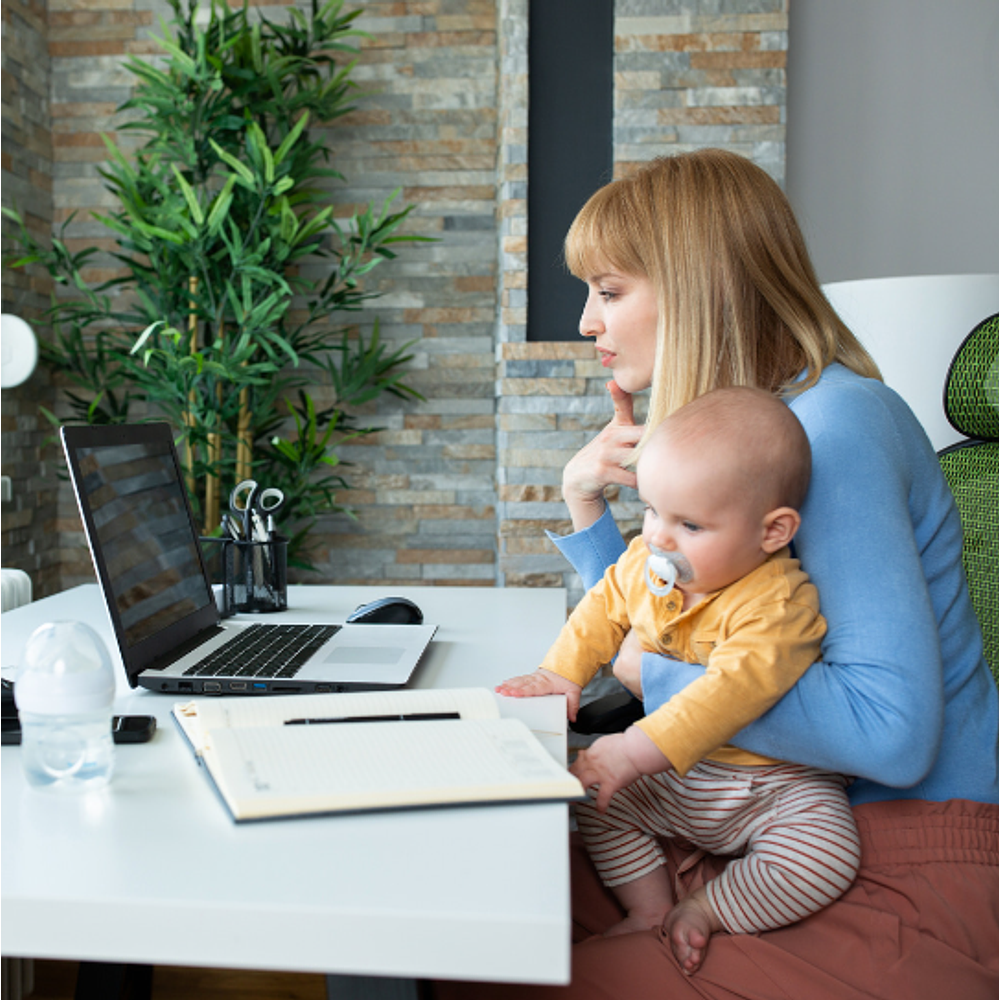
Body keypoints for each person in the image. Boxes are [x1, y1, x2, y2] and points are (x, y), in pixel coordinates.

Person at [433, 149, 998, 999]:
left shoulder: (832, 430)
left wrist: (644, 672)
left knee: (505, 973)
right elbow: (672, 616)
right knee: (473, 900)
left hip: (896, 854)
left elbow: (893, 736)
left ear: (699, 287)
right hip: (760, 817)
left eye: (610, 291)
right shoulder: (764, 429)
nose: (588, 321)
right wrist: (590, 514)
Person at [499, 386, 861, 975]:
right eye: (652, 511)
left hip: (769, 787)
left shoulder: (776, 601)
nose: (660, 539)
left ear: (772, 532)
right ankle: (648, 910)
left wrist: (632, 751)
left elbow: (731, 691)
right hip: (677, 778)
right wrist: (559, 672)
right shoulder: (649, 558)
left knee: (825, 856)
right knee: (589, 795)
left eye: (689, 524)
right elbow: (604, 605)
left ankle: (707, 908)